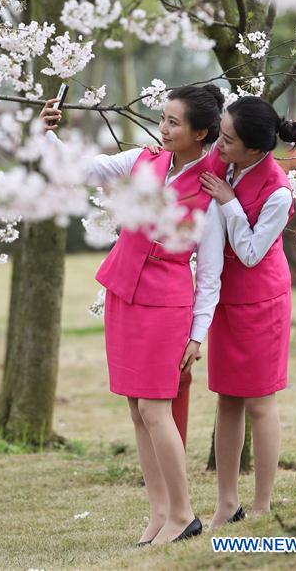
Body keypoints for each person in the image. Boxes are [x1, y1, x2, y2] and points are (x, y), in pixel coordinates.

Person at [40, 84, 226, 546]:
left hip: (168, 301)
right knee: (135, 408)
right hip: (124, 292)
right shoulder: (142, 160)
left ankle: (184, 514)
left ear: (201, 132)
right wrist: (46, 134)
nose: (162, 129)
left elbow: (210, 274)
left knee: (154, 406)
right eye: (162, 119)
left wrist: (197, 334)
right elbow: (81, 170)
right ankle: (159, 512)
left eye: (173, 122)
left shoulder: (211, 188)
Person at [199, 96, 296, 529]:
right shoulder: (223, 161)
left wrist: (227, 201)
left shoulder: (278, 191)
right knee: (227, 400)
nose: (218, 144)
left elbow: (248, 252)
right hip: (226, 299)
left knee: (260, 403)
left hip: (262, 303)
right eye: (219, 133)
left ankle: (261, 506)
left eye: (227, 139)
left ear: (257, 149)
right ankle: (227, 503)